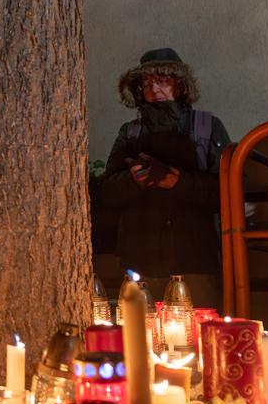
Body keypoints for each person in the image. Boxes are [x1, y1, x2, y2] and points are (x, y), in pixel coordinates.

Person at [95, 48, 230, 306]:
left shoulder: (206, 127)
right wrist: (133, 182)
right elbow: (107, 192)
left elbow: (230, 190)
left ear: (179, 84)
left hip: (196, 263)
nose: (154, 89)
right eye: (146, 82)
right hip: (141, 265)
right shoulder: (130, 133)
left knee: (198, 337)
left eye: (162, 80)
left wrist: (178, 181)